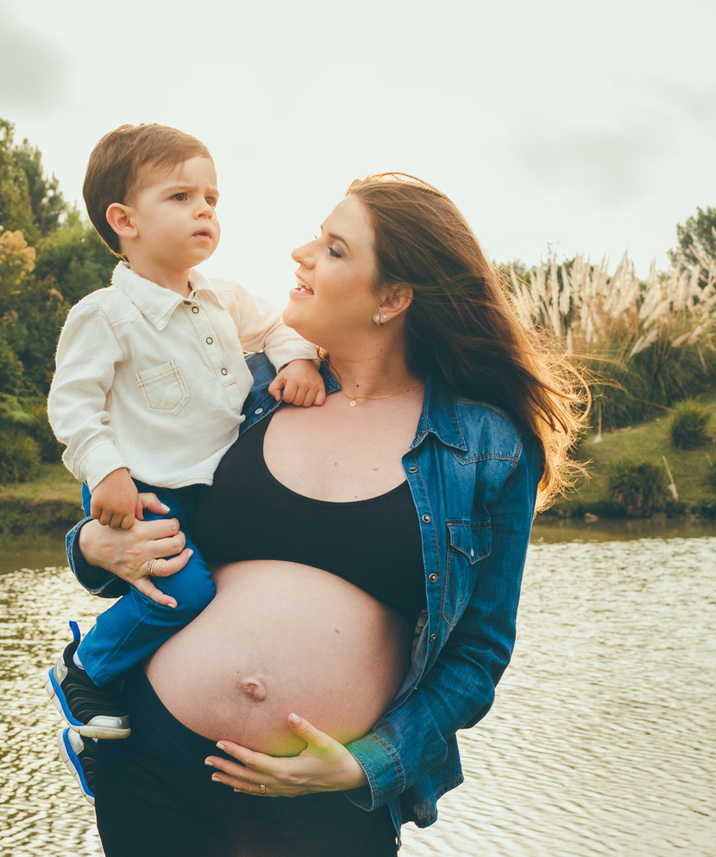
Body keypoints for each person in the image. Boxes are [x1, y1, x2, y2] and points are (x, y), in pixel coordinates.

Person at [62, 173, 585, 855]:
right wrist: (92, 545)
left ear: (393, 297)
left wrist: (370, 763)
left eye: (335, 249)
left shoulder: (483, 447)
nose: (301, 254)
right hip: (157, 769)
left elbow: (478, 654)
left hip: (325, 809)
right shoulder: (244, 391)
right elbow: (136, 513)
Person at [43, 124, 325, 775]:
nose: (204, 209)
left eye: (212, 197)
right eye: (180, 196)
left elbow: (280, 327)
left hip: (212, 488)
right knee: (184, 595)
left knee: (215, 598)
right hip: (139, 487)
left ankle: (124, 726)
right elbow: (74, 404)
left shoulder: (222, 298)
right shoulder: (106, 313)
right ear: (124, 220)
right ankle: (85, 664)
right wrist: (106, 471)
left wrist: (301, 361)